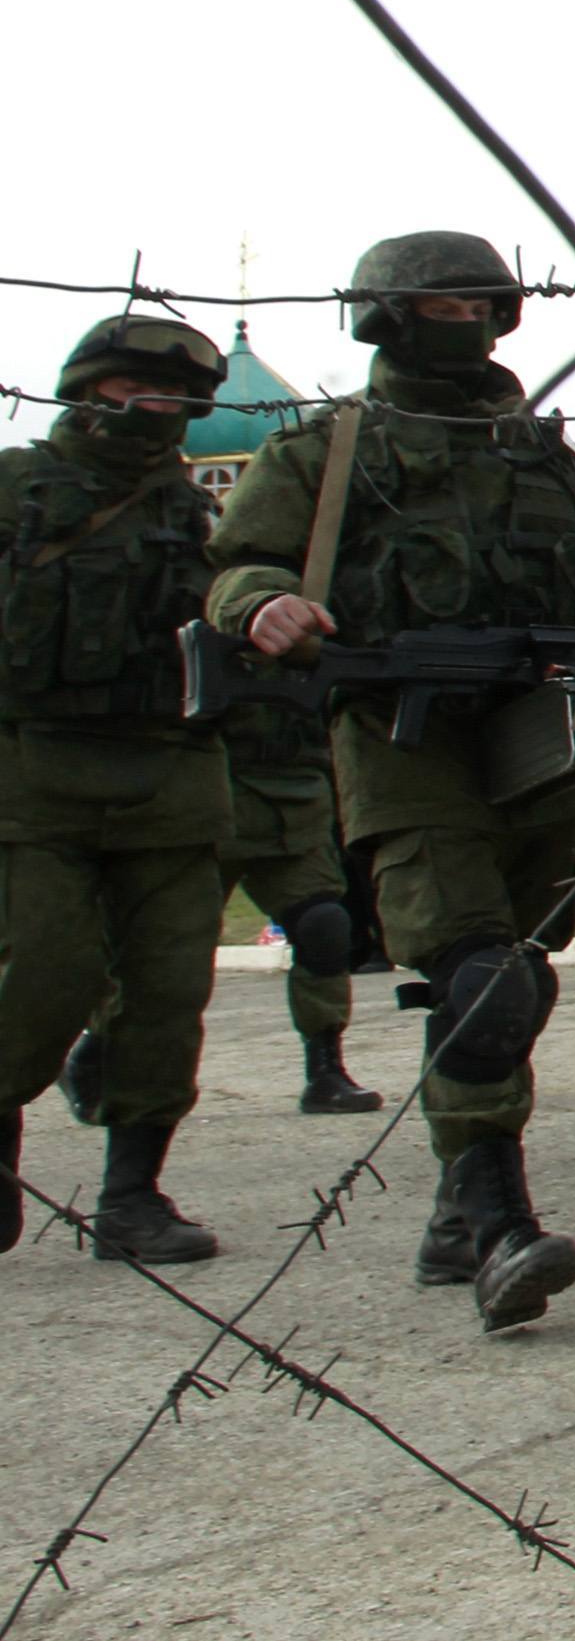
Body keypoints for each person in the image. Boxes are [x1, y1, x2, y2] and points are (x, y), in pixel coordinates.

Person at [205, 234, 575, 1331]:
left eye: (479, 300)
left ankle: (460, 1203)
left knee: (517, 974)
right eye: (438, 301)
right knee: (480, 979)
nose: (463, 317)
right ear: (386, 316)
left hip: (534, 737)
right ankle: (503, 1224)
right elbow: (237, 562)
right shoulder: (329, 449)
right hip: (402, 738)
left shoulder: (539, 453)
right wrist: (263, 603)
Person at [1, 316, 240, 1264]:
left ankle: (133, 1192)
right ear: (87, 389)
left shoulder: (201, 510)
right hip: (31, 770)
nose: (158, 410)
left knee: (168, 988)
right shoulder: (16, 487)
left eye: (178, 398)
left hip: (171, 772)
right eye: (134, 390)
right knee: (46, 973)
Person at [62, 701, 381, 1124]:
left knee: (324, 925)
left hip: (296, 796)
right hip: (206, 792)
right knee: (164, 946)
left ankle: (325, 1070)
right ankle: (93, 1052)